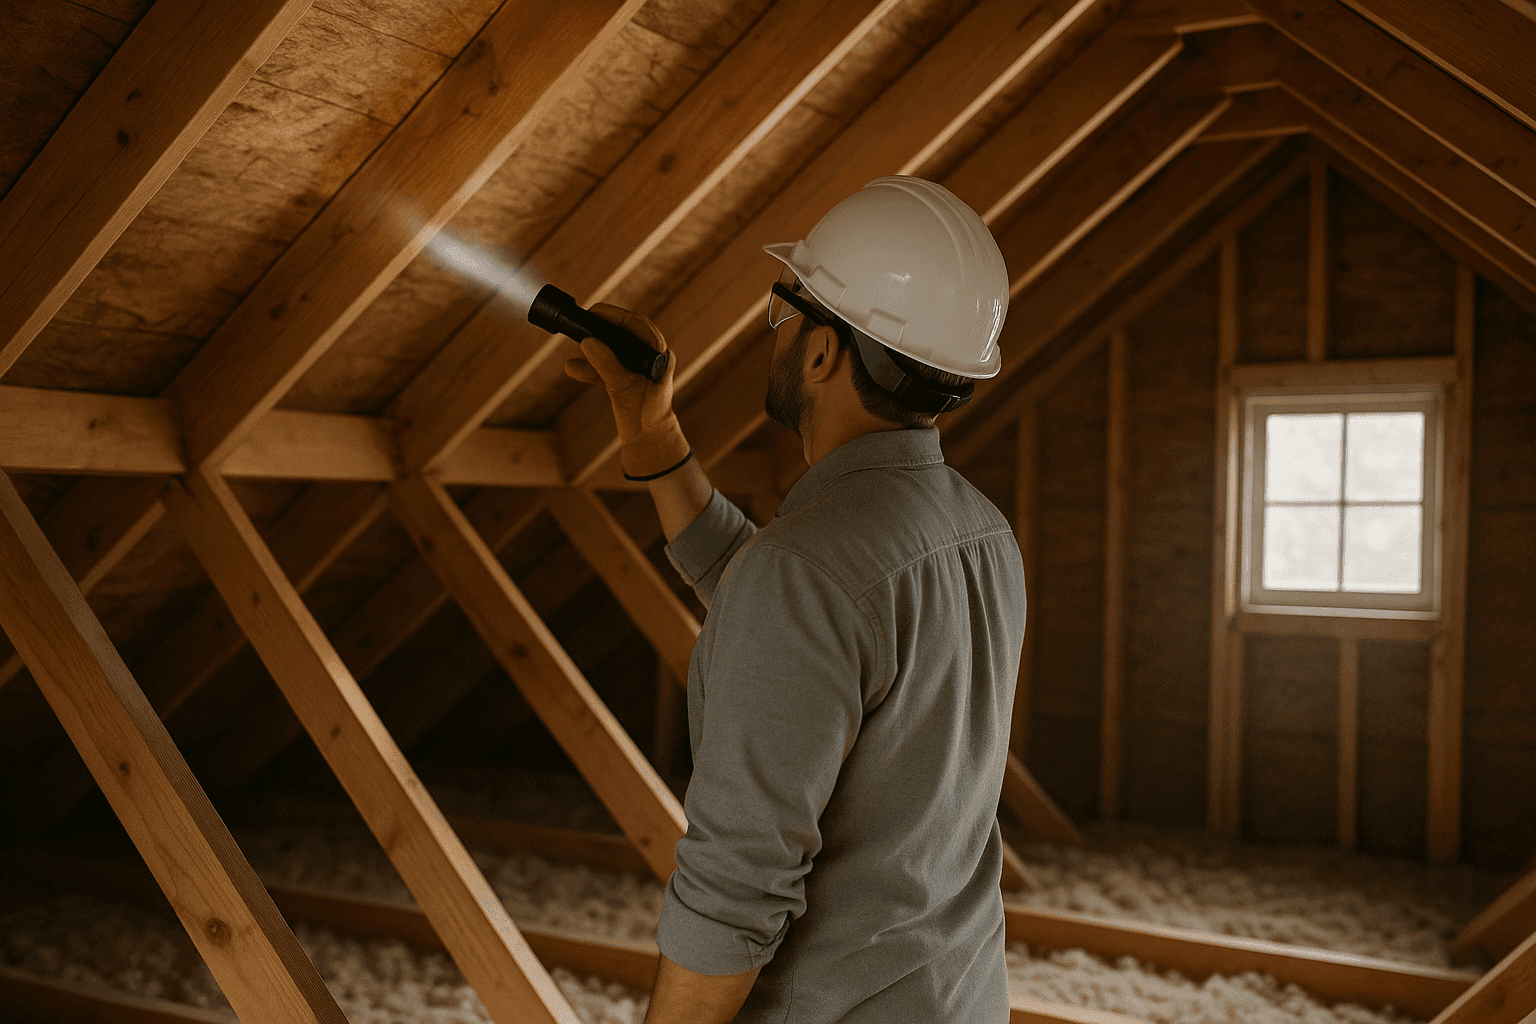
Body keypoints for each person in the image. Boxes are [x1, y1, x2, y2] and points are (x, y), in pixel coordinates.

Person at [564, 176, 1026, 1023]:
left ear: (822, 352)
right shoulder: (980, 532)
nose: (778, 334)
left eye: (788, 310)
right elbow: (804, 629)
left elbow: (735, 889)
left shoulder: (808, 573)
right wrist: (652, 433)